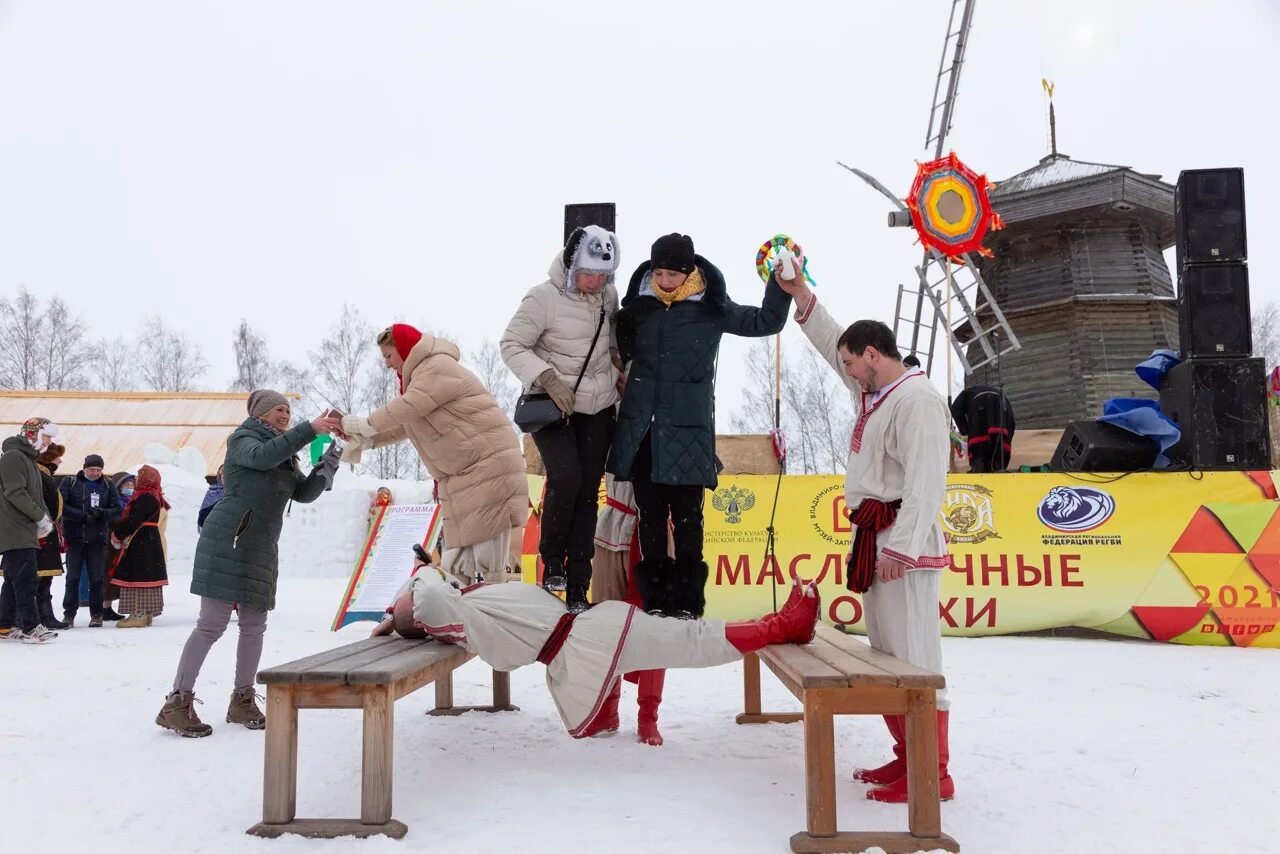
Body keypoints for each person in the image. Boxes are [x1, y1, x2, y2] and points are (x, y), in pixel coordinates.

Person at [775, 260, 954, 803]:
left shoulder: (918, 400)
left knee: (915, 659)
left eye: (854, 364)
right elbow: (835, 343)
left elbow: (927, 481)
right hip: (878, 539)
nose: (847, 371)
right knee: (885, 658)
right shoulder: (876, 392)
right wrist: (799, 293)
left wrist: (900, 546)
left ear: (874, 357)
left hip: (906, 544)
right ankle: (907, 758)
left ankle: (933, 772)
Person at [375, 558, 820, 738]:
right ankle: (784, 625)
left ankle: (608, 714)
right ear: (417, 617)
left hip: (583, 643)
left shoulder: (460, 602)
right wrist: (419, 575)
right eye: (405, 602)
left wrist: (396, 612)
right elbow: (430, 593)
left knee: (680, 641)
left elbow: (438, 589)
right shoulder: (448, 613)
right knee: (687, 639)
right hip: (587, 644)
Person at [606, 233, 791, 620]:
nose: (665, 280)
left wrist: (780, 284)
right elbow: (611, 348)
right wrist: (619, 373)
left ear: (688, 271)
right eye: (658, 272)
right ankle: (655, 601)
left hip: (688, 431)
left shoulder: (711, 308)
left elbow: (766, 321)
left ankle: (689, 603)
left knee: (689, 519)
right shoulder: (637, 310)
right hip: (642, 429)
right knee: (650, 517)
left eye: (673, 273)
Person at [155, 391, 343, 737]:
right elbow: (260, 458)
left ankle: (242, 699)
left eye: (289, 410)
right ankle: (176, 703)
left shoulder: (285, 453)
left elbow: (302, 493)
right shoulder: (244, 439)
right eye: (279, 410)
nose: (286, 415)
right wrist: (308, 429)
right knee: (212, 625)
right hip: (228, 540)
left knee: (254, 626)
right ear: (261, 413)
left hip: (260, 546)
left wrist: (329, 463)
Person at [339, 324, 527, 589]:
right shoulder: (418, 381)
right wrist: (366, 440)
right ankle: (459, 617)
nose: (387, 364)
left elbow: (406, 408)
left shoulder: (436, 367)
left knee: (488, 559)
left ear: (404, 349)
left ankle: (491, 616)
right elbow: (406, 424)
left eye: (389, 356)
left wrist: (361, 424)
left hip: (488, 468)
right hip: (461, 476)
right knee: (458, 558)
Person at [500, 225, 621, 613]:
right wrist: (547, 377)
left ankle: (578, 585)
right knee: (565, 477)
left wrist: (621, 366)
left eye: (603, 275)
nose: (596, 282)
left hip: (598, 406)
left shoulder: (608, 297)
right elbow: (511, 344)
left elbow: (612, 341)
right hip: (554, 405)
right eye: (589, 274)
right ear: (572, 266)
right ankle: (552, 561)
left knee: (588, 492)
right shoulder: (543, 298)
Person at [591, 473, 667, 745]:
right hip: (612, 526)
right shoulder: (606, 429)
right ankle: (606, 711)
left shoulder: (667, 428)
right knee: (605, 623)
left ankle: (648, 716)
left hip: (654, 531)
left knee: (655, 630)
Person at [0, 418, 58, 643]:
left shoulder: (28, 460)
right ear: (33, 435)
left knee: (15, 578)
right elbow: (15, 493)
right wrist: (38, 516)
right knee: (26, 579)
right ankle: (31, 626)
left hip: (23, 527)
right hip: (14, 527)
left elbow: (36, 496)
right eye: (47, 436)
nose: (49, 442)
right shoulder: (13, 457)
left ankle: (4, 624)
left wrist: (44, 519)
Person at [59, 452, 121, 627]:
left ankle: (96, 614)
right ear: (84, 468)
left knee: (97, 579)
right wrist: (82, 516)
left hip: (97, 539)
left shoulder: (108, 485)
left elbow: (117, 509)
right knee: (73, 578)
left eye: (98, 469)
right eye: (92, 469)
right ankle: (69, 614)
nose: (95, 473)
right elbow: (61, 506)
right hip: (75, 538)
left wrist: (102, 513)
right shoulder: (70, 483)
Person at [109, 465, 169, 628]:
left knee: (137, 575)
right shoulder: (155, 495)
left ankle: (138, 614)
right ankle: (147, 613)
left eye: (139, 476)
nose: (136, 479)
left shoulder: (144, 497)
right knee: (148, 575)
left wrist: (118, 533)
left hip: (141, 540)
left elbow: (133, 520)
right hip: (150, 539)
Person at [33, 443, 69, 630]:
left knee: (43, 579)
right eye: (57, 457)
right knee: (38, 578)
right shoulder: (40, 476)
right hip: (41, 533)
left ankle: (43, 615)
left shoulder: (44, 475)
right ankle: (39, 616)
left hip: (45, 531)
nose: (60, 460)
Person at [196, 465, 224, 532]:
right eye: (222, 476)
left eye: (226, 476)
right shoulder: (212, 491)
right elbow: (204, 508)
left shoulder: (234, 492)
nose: (223, 478)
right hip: (209, 527)